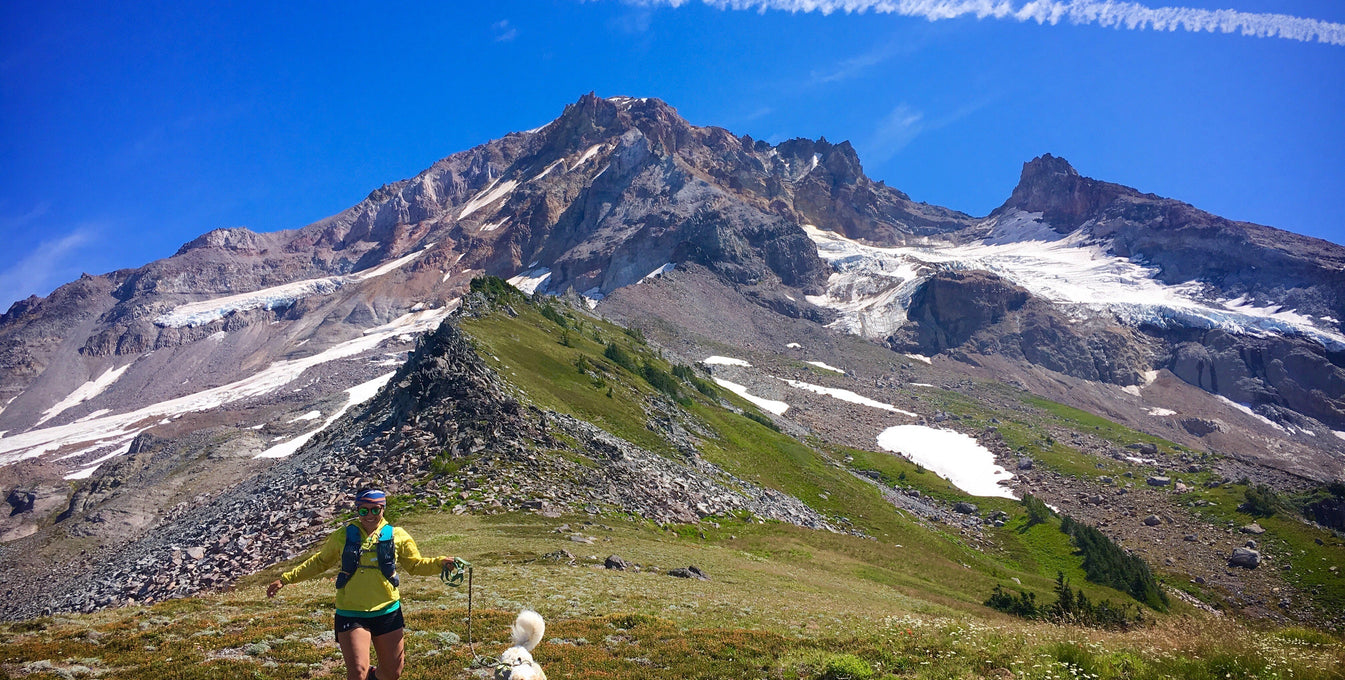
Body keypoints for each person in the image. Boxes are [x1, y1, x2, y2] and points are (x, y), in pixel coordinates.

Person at [267, 488, 460, 680]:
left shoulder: (398, 535)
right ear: (357, 510)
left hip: (387, 611)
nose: (369, 515)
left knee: (393, 673)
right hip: (350, 612)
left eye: (375, 509)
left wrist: (440, 563)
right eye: (363, 510)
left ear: (383, 509)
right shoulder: (343, 535)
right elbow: (320, 562)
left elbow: (415, 565)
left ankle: (373, 676)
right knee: (358, 671)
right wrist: (285, 579)